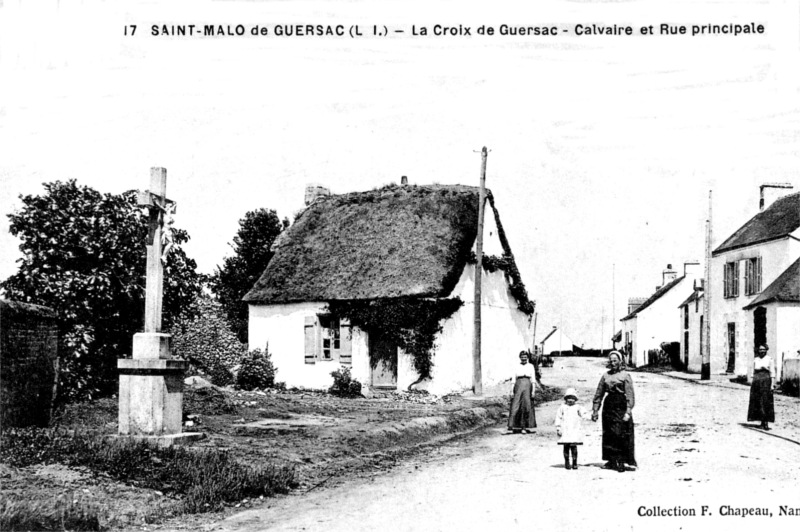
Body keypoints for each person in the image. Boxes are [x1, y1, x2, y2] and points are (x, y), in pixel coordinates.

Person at [591, 351, 637, 473]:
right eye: (611, 361)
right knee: (608, 433)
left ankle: (621, 460)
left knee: (620, 433)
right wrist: (595, 410)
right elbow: (599, 393)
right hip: (609, 405)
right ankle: (611, 460)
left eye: (615, 360)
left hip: (621, 405)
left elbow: (630, 395)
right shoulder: (605, 376)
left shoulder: (625, 375)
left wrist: (628, 411)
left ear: (620, 361)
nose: (613, 363)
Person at [555, 388, 588, 470]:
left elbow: (584, 414)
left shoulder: (577, 407)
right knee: (566, 446)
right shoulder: (562, 407)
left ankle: (574, 462)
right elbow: (558, 418)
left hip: (574, 430)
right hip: (565, 430)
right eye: (569, 398)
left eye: (572, 398)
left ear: (575, 399)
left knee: (574, 446)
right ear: (565, 399)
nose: (570, 400)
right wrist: (558, 428)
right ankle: (567, 462)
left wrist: (591, 417)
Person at [508, 351, 537, 434]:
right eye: (522, 357)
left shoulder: (531, 366)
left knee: (526, 406)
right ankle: (514, 425)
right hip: (518, 385)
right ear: (520, 357)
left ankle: (524, 427)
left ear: (527, 358)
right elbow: (513, 379)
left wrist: (533, 391)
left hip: (528, 386)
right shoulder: (516, 366)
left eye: (525, 357)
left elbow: (533, 380)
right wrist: (511, 390)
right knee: (516, 405)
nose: (524, 358)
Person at [747, 344, 775, 430]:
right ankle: (761, 421)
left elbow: (772, 373)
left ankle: (766, 422)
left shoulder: (770, 359)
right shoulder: (756, 359)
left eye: (763, 349)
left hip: (766, 381)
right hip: (756, 381)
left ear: (766, 350)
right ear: (758, 350)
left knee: (766, 401)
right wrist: (752, 382)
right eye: (760, 349)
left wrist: (772, 385)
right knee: (757, 401)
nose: (762, 351)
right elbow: (753, 372)